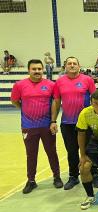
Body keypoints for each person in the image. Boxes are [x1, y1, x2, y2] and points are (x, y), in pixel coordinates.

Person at [10, 59, 63, 194]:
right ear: (29, 70)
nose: (37, 71)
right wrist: (25, 108)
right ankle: (31, 181)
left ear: (43, 70)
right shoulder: (19, 85)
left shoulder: (51, 85)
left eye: (39, 69)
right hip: (28, 126)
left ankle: (56, 177)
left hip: (47, 125)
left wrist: (53, 121)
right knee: (31, 154)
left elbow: (55, 103)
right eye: (34, 69)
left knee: (51, 152)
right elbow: (15, 101)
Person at [50, 56, 96, 190]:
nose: (72, 65)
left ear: (79, 66)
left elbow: (95, 99)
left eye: (74, 63)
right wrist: (53, 120)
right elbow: (57, 102)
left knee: (89, 150)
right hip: (67, 123)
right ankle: (73, 177)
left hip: (85, 123)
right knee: (72, 151)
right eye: (69, 63)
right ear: (65, 66)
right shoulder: (59, 82)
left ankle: (93, 174)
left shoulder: (87, 80)